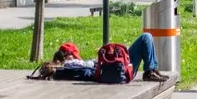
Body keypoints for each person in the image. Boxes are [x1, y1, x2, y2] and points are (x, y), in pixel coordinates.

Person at [35, 35, 167, 83]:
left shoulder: (68, 67)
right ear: (68, 55)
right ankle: (150, 70)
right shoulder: (71, 64)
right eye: (74, 55)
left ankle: (151, 70)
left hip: (116, 69)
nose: (76, 57)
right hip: (120, 71)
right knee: (145, 38)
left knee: (146, 38)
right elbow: (90, 69)